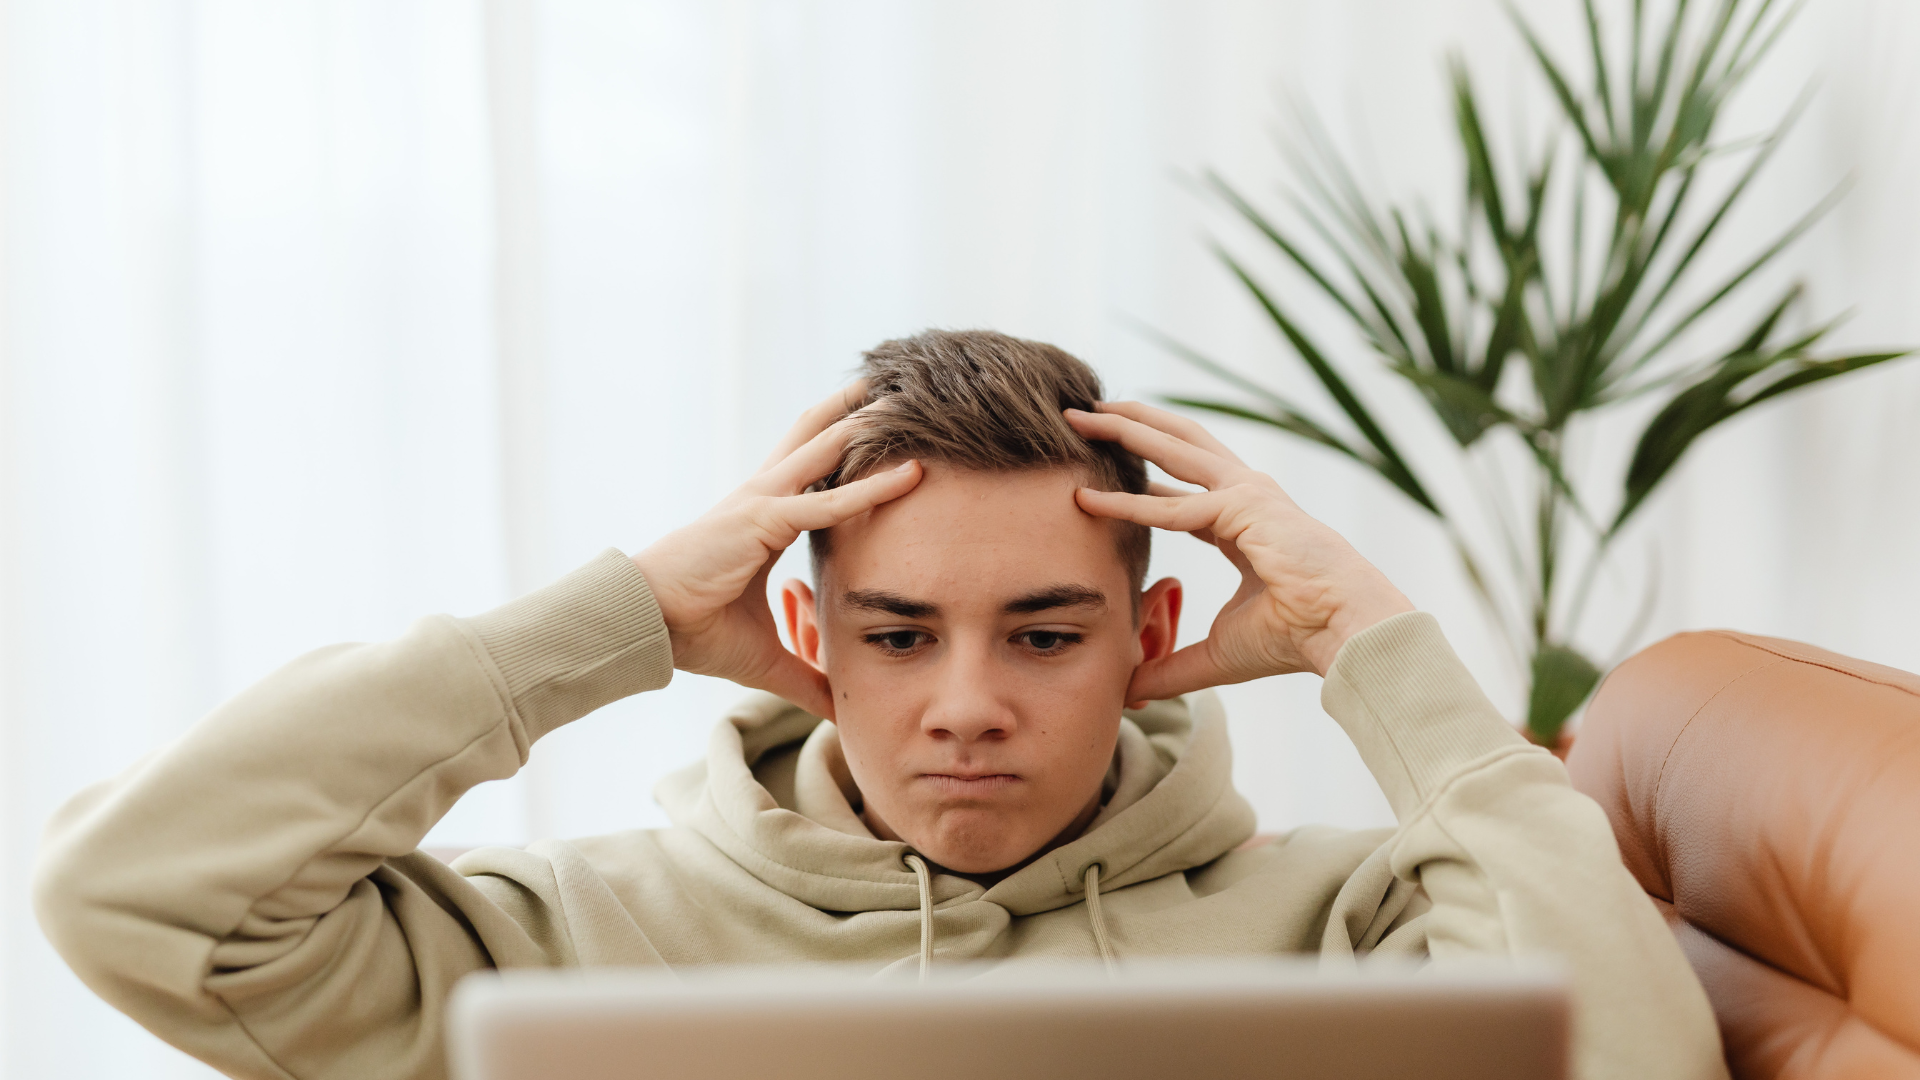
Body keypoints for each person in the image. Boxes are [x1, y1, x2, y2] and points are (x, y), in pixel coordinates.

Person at [33, 330, 1724, 1080]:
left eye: (1046, 638)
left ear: (1149, 635)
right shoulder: (557, 945)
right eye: (900, 636)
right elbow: (131, 897)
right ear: (801, 630)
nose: (967, 707)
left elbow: (1638, 1073)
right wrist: (606, 623)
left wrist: (1375, 641)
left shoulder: (1358, 928)